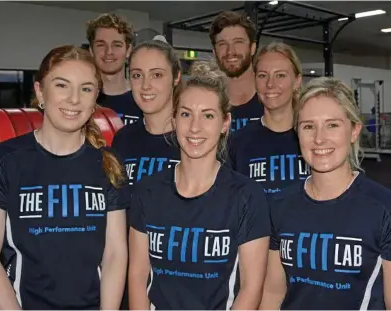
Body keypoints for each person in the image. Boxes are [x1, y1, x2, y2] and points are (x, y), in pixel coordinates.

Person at [0, 45, 129, 310]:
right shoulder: (1, 161)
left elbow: (114, 255)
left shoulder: (108, 163)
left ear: (95, 98)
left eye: (86, 88)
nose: (74, 99)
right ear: (41, 91)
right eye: (62, 85)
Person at [260, 77, 391, 310]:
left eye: (332, 125)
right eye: (308, 126)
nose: (319, 138)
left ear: (354, 130)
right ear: (297, 133)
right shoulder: (279, 205)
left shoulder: (390, 212)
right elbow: (273, 294)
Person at [128, 61, 271, 310]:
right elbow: (138, 276)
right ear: (173, 119)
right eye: (186, 114)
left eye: (208, 115)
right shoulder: (147, 190)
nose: (195, 127)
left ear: (225, 123)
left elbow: (251, 288)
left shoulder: (247, 196)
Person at [229, 42, 308, 195]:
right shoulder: (237, 143)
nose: (270, 84)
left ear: (297, 81)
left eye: (280, 75)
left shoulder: (314, 139)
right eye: (263, 76)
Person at [110, 37, 181, 189]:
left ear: (176, 77)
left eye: (157, 75)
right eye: (137, 75)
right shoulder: (123, 139)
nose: (145, 86)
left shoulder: (194, 137)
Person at [209, 11, 263, 132]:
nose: (230, 51)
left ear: (252, 48)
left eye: (238, 42)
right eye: (222, 44)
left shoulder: (272, 99)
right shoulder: (208, 104)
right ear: (214, 52)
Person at [86, 13, 142, 125]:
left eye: (117, 45)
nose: (109, 52)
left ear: (128, 50)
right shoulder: (82, 98)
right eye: (101, 45)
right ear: (91, 50)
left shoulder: (143, 98)